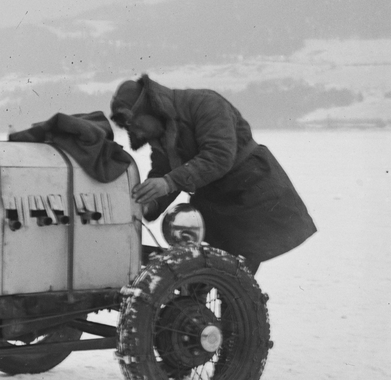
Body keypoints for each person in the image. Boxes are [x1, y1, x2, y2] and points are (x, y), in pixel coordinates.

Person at [109, 74, 316, 271]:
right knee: (205, 272)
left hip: (253, 190)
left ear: (151, 109)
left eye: (134, 123)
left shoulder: (205, 104)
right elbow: (165, 171)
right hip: (217, 200)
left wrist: (167, 183)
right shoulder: (161, 131)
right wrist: (150, 203)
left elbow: (218, 156)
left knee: (235, 278)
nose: (134, 132)